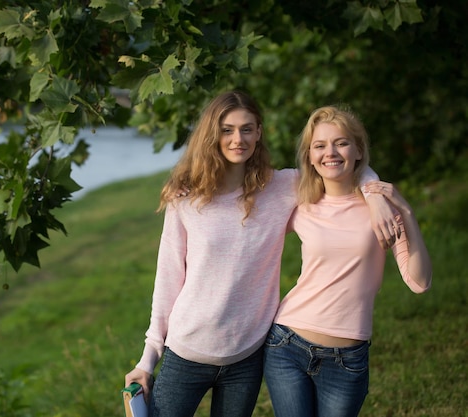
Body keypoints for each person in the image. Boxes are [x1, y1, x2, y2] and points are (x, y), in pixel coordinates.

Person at [124, 91, 398, 417]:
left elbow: (341, 165)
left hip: (247, 358)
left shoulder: (282, 188)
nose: (238, 138)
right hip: (187, 352)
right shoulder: (186, 199)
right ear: (212, 134)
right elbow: (167, 280)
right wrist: (147, 359)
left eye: (247, 128)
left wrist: (375, 193)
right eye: (227, 129)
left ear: (258, 133)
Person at [262, 105, 433, 417]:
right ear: (310, 156)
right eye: (320, 145)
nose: (331, 152)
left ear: (358, 149)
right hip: (287, 344)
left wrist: (406, 214)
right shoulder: (300, 200)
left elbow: (419, 282)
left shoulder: (382, 207)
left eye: (341, 142)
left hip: (348, 357)